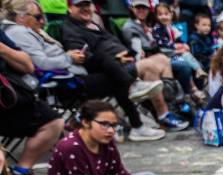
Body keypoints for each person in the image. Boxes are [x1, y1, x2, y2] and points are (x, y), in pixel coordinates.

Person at [61, 0, 188, 134]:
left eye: (87, 5)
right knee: (150, 66)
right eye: (80, 5)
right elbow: (84, 57)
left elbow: (115, 43)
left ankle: (170, 107)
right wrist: (117, 59)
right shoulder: (70, 29)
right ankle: (162, 115)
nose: (85, 8)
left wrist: (128, 54)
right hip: (106, 71)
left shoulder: (93, 24)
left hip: (121, 64)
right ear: (70, 8)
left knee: (162, 59)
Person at [43, 100, 170, 175]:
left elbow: (118, 169)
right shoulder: (70, 147)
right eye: (104, 124)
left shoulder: (105, 139)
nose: (110, 130)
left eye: (114, 125)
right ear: (86, 122)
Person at [0, 19, 63, 175]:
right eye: (36, 16)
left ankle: (21, 172)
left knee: (53, 122)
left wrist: (2, 49)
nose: (41, 20)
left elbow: (28, 66)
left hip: (8, 98)